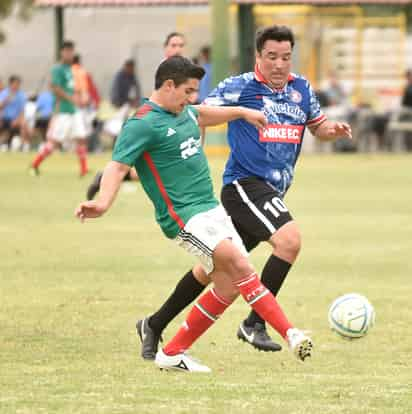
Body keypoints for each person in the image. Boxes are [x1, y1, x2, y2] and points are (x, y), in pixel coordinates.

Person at [76, 56, 313, 372]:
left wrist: (242, 112)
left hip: (213, 210)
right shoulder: (142, 123)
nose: (191, 99)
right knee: (241, 265)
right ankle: (292, 334)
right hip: (184, 218)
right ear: (168, 85)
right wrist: (103, 203)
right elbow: (118, 166)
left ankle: (173, 352)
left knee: (228, 286)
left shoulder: (184, 110)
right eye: (187, 91)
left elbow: (205, 114)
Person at [136, 25, 352, 361]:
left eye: (285, 57)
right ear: (258, 56)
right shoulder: (239, 87)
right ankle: (255, 323)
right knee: (289, 240)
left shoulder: (302, 89)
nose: (279, 64)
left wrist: (331, 131)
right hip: (244, 186)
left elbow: (317, 126)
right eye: (271, 57)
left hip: (271, 192)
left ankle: (154, 323)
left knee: (217, 273)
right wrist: (191, 157)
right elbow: (196, 117)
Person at [86, 33, 187, 201]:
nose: (178, 49)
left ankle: (104, 177)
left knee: (165, 168)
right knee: (164, 167)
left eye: (181, 45)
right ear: (165, 48)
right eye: (174, 45)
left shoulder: (185, 69)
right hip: (160, 122)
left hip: (172, 120)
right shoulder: (166, 69)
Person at [29, 41, 89, 176]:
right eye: (67, 51)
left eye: (71, 51)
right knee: (54, 142)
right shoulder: (57, 69)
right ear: (62, 52)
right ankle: (34, 164)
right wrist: (70, 98)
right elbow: (55, 88)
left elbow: (73, 88)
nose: (70, 54)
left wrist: (79, 98)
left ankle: (84, 169)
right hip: (64, 110)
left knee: (81, 138)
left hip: (74, 110)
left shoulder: (70, 69)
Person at [0, 75, 29, 151]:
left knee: (24, 124)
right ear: (10, 84)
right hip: (4, 118)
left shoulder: (21, 95)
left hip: (16, 119)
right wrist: (6, 100)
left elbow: (22, 111)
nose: (17, 86)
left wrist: (18, 120)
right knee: (4, 127)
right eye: (15, 84)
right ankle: (4, 143)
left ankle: (23, 146)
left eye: (18, 84)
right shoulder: (4, 93)